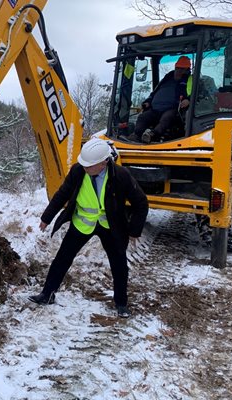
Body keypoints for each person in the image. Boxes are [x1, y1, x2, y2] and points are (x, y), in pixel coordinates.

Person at [28, 138, 148, 318]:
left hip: (111, 226)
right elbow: (62, 194)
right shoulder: (78, 171)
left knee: (119, 264)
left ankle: (121, 303)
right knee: (62, 258)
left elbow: (141, 202)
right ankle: (47, 294)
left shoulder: (120, 175)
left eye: (89, 165)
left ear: (103, 163)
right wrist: (47, 217)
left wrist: (133, 231)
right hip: (82, 223)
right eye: (83, 163)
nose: (85, 167)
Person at [128, 55, 192, 143]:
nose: (178, 71)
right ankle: (137, 135)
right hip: (155, 109)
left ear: (187, 70)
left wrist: (188, 100)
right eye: (177, 68)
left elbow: (195, 94)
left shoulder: (189, 80)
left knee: (166, 118)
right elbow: (155, 92)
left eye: (181, 69)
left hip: (173, 109)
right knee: (143, 117)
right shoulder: (167, 78)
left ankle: (152, 135)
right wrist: (148, 102)